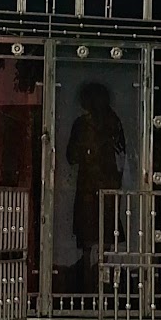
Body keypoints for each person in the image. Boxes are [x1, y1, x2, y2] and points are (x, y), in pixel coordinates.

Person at [66, 81, 126, 290]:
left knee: (105, 230)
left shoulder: (112, 123)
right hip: (90, 184)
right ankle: (87, 280)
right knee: (88, 232)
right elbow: (71, 156)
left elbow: (122, 154)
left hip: (105, 183)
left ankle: (103, 280)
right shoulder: (83, 124)